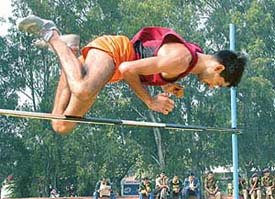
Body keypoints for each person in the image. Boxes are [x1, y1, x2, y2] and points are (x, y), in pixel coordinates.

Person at [17, 15, 247, 134]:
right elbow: (128, 68)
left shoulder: (190, 60)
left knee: (61, 125)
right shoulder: (183, 58)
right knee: (83, 88)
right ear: (219, 69)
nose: (212, 87)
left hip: (112, 70)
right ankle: (52, 34)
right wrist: (150, 101)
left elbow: (151, 63)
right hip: (114, 52)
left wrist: (165, 86)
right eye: (219, 84)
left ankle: (70, 52)